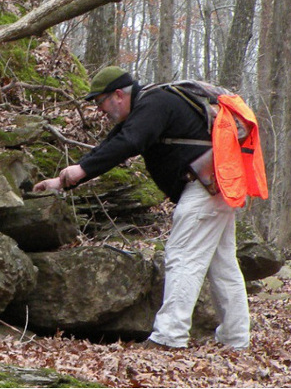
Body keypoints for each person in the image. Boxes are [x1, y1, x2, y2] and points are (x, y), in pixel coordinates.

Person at [32, 66, 250, 350]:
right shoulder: (148, 105)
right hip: (214, 186)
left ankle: (170, 337)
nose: (100, 110)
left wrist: (81, 171)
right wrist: (63, 181)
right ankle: (236, 339)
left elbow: (128, 143)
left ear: (119, 95)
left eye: (101, 102)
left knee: (182, 257)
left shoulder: (154, 103)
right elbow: (111, 143)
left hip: (204, 188)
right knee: (223, 265)